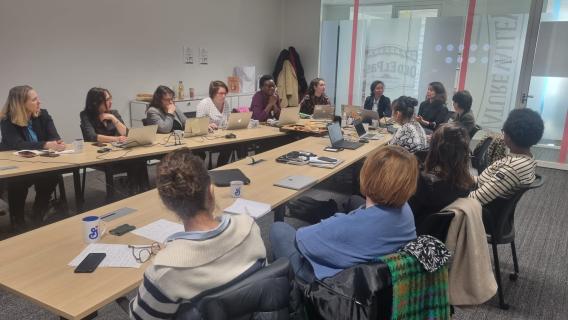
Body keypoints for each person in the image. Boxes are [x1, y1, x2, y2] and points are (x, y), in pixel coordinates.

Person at [129, 149, 266, 318]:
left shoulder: (164, 273)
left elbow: (138, 316)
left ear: (168, 204)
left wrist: (169, 253)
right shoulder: (249, 227)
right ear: (211, 192)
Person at [270, 145, 417, 282]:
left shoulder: (348, 226)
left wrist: (335, 223)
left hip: (336, 284)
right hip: (380, 274)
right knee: (353, 201)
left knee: (278, 229)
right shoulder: (406, 210)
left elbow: (300, 240)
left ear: (366, 176)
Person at [0, 85, 65, 227]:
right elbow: (17, 144)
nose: (39, 102)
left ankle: (39, 210)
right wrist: (45, 145)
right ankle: (18, 219)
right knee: (18, 182)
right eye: (34, 99)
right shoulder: (6, 120)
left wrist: (56, 143)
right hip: (16, 164)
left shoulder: (43, 114)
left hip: (39, 161)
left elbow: (54, 137)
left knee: (52, 174)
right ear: (21, 104)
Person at [470, 108, 544, 205]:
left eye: (503, 131)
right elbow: (484, 182)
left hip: (480, 207)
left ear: (508, 138)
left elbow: (477, 198)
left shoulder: (512, 168)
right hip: (482, 188)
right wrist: (464, 178)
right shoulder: (527, 158)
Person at [80, 87, 149, 192]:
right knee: (134, 161)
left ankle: (143, 189)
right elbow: (92, 137)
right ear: (95, 102)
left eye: (110, 98)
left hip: (118, 152)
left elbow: (126, 133)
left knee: (140, 158)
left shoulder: (113, 113)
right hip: (100, 155)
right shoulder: (85, 115)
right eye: (107, 100)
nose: (110, 102)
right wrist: (116, 139)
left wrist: (113, 118)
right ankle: (133, 190)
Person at [409, 123, 474, 226]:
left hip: (414, 228)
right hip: (439, 233)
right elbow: (438, 169)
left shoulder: (422, 183)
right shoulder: (465, 183)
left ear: (434, 149)